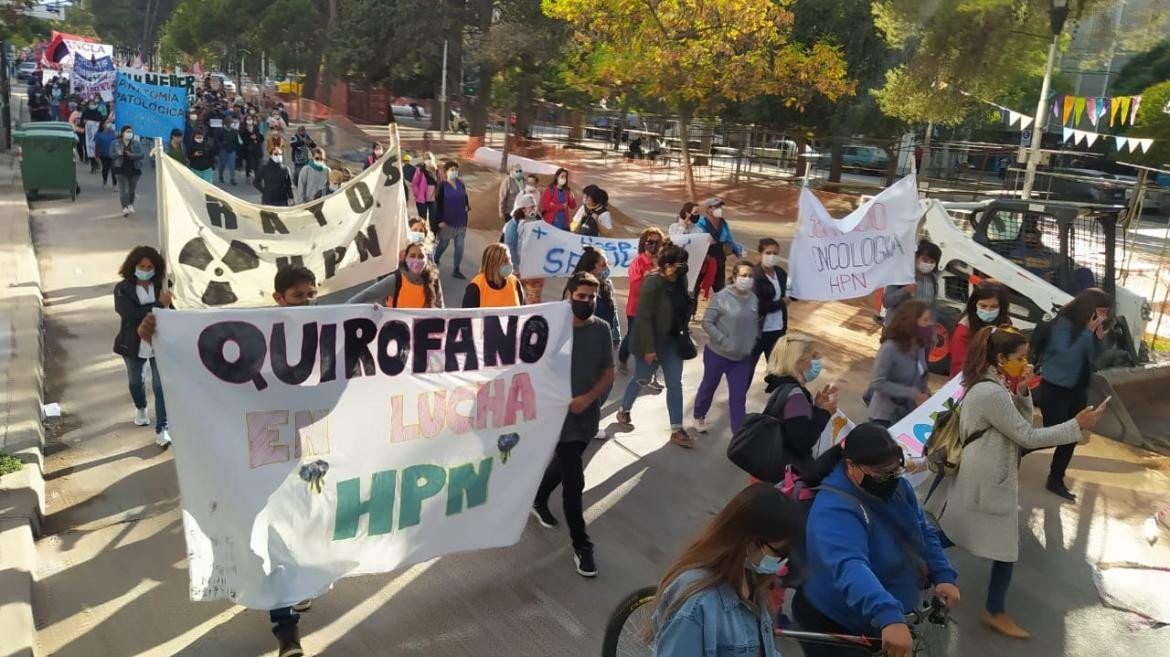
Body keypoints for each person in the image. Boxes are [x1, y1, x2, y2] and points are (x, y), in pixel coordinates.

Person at [935, 327, 1103, 640]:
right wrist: (1075, 426)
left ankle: (989, 606)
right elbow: (1026, 436)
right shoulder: (991, 392)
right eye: (1019, 357)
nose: (1025, 362)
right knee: (991, 545)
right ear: (1000, 358)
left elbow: (1018, 425)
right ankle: (993, 610)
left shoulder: (994, 384)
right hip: (986, 481)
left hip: (986, 478)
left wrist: (1023, 392)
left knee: (958, 533)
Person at [795, 423, 959, 657]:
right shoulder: (833, 509)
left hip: (887, 618)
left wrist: (943, 574)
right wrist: (888, 614)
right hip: (839, 623)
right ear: (851, 467)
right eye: (880, 474)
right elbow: (850, 566)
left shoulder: (899, 487)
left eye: (894, 471)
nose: (890, 479)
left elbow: (923, 530)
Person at [647, 483, 803, 657]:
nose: (783, 561)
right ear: (749, 542)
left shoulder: (752, 579)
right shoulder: (697, 605)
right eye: (779, 553)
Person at [531, 272, 615, 577]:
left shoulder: (602, 330)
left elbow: (608, 371)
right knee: (574, 480)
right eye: (581, 296)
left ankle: (538, 499)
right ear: (568, 295)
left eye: (591, 297)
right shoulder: (551, 329)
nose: (587, 302)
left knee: (567, 463)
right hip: (557, 418)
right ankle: (582, 545)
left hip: (586, 418)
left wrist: (588, 398)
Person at [1034, 287, 1110, 502]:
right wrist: (1088, 333)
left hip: (1077, 389)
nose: (1102, 317)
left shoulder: (1090, 329)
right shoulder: (1063, 324)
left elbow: (1094, 359)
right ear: (1088, 309)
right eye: (1100, 312)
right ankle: (1017, 451)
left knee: (1072, 436)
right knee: (1053, 435)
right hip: (1055, 387)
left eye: (1106, 313)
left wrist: (1099, 339)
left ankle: (1056, 479)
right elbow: (1066, 355)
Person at [616, 242, 692, 448]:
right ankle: (624, 410)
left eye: (685, 262)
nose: (683, 266)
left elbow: (684, 305)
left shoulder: (680, 280)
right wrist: (649, 348)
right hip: (650, 343)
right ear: (666, 264)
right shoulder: (653, 283)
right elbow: (644, 318)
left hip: (673, 342)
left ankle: (677, 428)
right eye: (679, 263)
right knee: (642, 378)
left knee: (675, 384)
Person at [760, 334, 841, 492]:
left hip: (772, 466)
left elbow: (793, 424)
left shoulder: (782, 386)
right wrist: (824, 413)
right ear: (798, 361)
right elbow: (802, 441)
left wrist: (816, 408)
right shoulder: (796, 395)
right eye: (813, 356)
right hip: (784, 476)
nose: (817, 362)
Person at [113, 246, 173, 448]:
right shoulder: (122, 289)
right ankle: (140, 407)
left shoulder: (164, 286)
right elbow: (131, 315)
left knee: (160, 385)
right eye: (142, 266)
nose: (146, 270)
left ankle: (162, 428)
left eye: (150, 266)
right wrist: (159, 304)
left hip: (160, 344)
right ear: (134, 266)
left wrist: (168, 302)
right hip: (133, 344)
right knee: (135, 382)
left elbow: (175, 312)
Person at [692, 262, 759, 434]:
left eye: (750, 276)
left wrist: (750, 343)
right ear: (735, 277)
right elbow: (707, 322)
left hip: (741, 359)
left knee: (738, 397)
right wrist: (723, 340)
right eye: (744, 275)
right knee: (709, 386)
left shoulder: (753, 299)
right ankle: (699, 414)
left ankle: (738, 434)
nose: (747, 279)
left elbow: (755, 324)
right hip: (718, 354)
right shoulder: (722, 297)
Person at [867, 300, 932, 427]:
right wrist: (912, 394)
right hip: (884, 418)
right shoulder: (889, 348)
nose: (929, 324)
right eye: (925, 320)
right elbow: (877, 382)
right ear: (912, 322)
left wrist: (926, 394)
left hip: (908, 417)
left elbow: (920, 375)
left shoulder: (919, 347)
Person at [617, 227, 666, 376]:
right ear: (644, 243)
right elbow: (635, 285)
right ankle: (622, 359)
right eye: (650, 242)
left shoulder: (662, 262)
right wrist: (648, 276)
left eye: (657, 242)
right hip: (637, 308)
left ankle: (649, 370)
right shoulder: (638, 262)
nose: (654, 245)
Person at [347, 240, 444, 308]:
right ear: (405, 258)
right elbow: (364, 296)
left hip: (421, 335)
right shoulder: (395, 281)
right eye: (412, 256)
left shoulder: (433, 281)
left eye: (421, 256)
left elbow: (441, 311)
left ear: (427, 259)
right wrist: (340, 311)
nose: (416, 260)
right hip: (397, 334)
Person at [948, 280, 1012, 376]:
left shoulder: (1006, 323)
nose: (988, 310)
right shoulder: (964, 328)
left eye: (994, 307)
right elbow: (959, 366)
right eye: (983, 306)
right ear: (974, 305)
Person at [751, 238, 789, 371]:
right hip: (757, 333)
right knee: (745, 373)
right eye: (768, 253)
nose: (772, 256)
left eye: (775, 253)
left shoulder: (780, 273)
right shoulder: (754, 276)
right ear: (760, 254)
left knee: (777, 372)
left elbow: (789, 292)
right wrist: (781, 303)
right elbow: (757, 307)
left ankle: (778, 392)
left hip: (777, 330)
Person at [882, 240, 941, 323]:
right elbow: (887, 302)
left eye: (932, 262)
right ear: (916, 257)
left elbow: (932, 306)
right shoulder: (901, 274)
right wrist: (905, 290)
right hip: (895, 329)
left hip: (917, 332)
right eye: (925, 260)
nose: (928, 264)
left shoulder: (932, 279)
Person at [694, 197, 744, 294]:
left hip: (719, 261)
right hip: (704, 262)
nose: (719, 209)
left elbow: (729, 239)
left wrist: (738, 250)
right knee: (695, 290)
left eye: (720, 207)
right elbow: (699, 241)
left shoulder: (723, 223)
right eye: (716, 207)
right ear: (708, 209)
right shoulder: (701, 223)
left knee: (720, 291)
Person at [434, 161, 470, 279]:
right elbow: (437, 205)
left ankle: (456, 269)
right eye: (452, 169)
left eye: (456, 169)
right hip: (447, 221)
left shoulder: (461, 183)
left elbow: (465, 197)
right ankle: (435, 259)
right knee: (444, 243)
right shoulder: (442, 186)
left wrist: (467, 206)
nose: (454, 171)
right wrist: (439, 220)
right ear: (446, 172)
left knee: (459, 245)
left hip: (461, 220)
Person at [462, 243, 525, 308]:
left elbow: (523, 312)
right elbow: (466, 316)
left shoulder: (515, 282)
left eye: (509, 259)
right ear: (493, 264)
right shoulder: (475, 288)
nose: (510, 264)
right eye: (505, 261)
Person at [110, 126, 146, 217]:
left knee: (131, 190)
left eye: (131, 132)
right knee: (123, 190)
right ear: (122, 133)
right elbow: (111, 155)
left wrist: (132, 155)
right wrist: (118, 154)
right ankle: (124, 207)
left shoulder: (136, 143)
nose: (129, 133)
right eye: (127, 131)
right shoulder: (115, 143)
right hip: (120, 169)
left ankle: (130, 204)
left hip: (134, 169)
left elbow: (142, 155)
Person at [502, 193, 541, 272]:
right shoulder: (513, 224)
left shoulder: (538, 221)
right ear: (523, 209)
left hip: (530, 266)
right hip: (516, 265)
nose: (534, 209)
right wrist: (515, 267)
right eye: (531, 207)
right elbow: (510, 246)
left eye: (534, 206)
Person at [411, 153, 439, 221]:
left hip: (433, 199)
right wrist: (417, 194)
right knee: (422, 219)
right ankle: (422, 231)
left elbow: (440, 182)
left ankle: (432, 231)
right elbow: (414, 183)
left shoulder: (437, 171)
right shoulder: (419, 170)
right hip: (421, 198)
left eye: (429, 158)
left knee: (433, 218)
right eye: (426, 159)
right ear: (424, 160)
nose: (428, 160)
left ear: (433, 159)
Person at [239, 113, 264, 180]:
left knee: (257, 163)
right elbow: (243, 138)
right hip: (248, 149)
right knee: (249, 163)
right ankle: (248, 175)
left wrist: (256, 138)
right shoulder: (243, 129)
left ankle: (257, 176)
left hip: (256, 148)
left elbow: (261, 137)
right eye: (248, 119)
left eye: (250, 119)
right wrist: (249, 134)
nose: (249, 120)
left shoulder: (256, 127)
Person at [217, 117, 240, 185]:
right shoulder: (220, 131)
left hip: (232, 150)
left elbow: (236, 141)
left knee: (232, 165)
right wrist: (221, 145)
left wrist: (236, 150)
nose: (231, 124)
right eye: (230, 123)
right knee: (222, 165)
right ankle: (220, 175)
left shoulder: (234, 131)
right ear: (226, 123)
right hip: (223, 150)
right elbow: (217, 140)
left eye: (231, 123)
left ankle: (232, 179)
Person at [94, 123, 118, 188]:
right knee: (105, 169)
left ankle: (114, 185)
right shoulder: (99, 135)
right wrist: (96, 156)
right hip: (104, 155)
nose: (108, 124)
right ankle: (105, 181)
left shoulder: (114, 134)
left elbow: (117, 144)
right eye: (107, 123)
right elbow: (97, 146)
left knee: (114, 170)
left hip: (113, 155)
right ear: (103, 125)